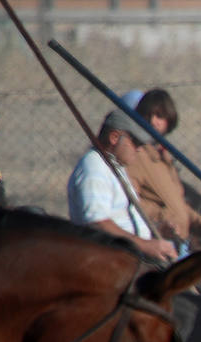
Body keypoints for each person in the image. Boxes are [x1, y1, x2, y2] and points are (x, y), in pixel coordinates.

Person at [65, 110, 176, 263]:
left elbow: (120, 219)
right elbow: (98, 222)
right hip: (106, 263)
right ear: (114, 137)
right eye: (135, 142)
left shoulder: (115, 166)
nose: (139, 149)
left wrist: (155, 230)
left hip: (125, 259)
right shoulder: (94, 169)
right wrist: (145, 245)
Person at [124, 88, 201, 254]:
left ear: (169, 120)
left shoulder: (164, 157)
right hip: (155, 245)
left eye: (160, 116)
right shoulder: (135, 156)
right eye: (149, 116)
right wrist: (163, 219)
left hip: (178, 243)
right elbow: (130, 202)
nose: (154, 122)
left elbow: (178, 206)